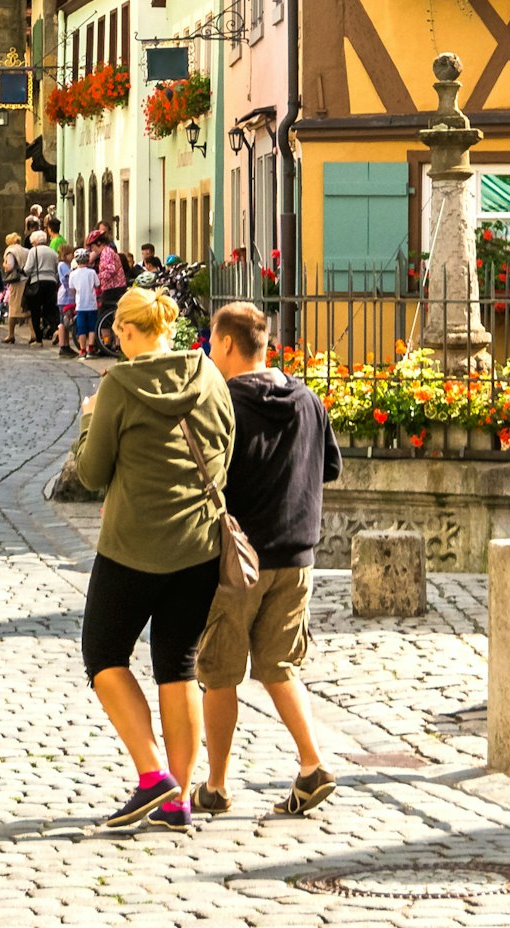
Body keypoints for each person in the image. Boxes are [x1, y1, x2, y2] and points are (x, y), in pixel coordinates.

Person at [58, 285, 236, 831]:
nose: (115, 342)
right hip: (199, 546)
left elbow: (90, 475)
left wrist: (89, 419)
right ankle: (179, 798)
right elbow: (227, 446)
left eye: (117, 335)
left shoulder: (119, 387)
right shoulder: (207, 374)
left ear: (132, 332)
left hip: (132, 549)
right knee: (177, 664)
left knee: (104, 653)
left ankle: (153, 776)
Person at [192, 303, 341, 817]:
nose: (210, 351)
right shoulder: (307, 399)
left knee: (219, 670)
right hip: (298, 555)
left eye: (212, 342)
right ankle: (311, 763)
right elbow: (329, 469)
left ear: (228, 344)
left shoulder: (223, 404)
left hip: (239, 560)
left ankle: (215, 784)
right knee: (279, 666)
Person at [58, 241, 100, 356]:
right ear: (87, 260)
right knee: (92, 327)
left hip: (80, 304)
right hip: (92, 304)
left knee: (81, 328)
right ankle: (90, 347)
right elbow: (97, 284)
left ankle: (82, 349)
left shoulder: (73, 274)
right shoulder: (92, 272)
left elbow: (72, 288)